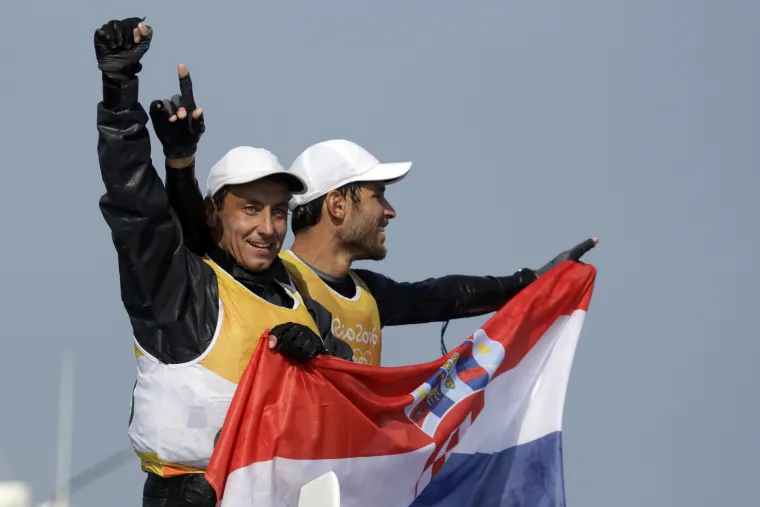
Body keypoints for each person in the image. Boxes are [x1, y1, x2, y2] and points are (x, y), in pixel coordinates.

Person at [93, 17, 349, 507]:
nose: (269, 228)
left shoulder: (301, 305)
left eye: (279, 212)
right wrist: (119, 91)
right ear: (214, 213)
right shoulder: (180, 295)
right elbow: (137, 209)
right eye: (251, 209)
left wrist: (319, 362)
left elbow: (351, 392)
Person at [165, 137, 597, 366]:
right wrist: (180, 162)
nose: (389, 212)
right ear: (337, 205)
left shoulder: (369, 293)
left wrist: (529, 282)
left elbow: (443, 295)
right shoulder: (272, 279)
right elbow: (195, 243)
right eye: (378, 196)